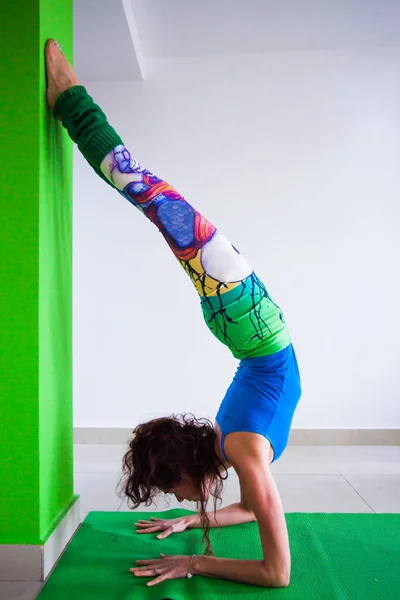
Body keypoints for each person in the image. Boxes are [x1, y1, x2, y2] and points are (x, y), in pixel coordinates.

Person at [45, 39, 301, 589]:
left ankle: (72, 103)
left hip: (243, 316)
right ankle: (73, 106)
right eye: (176, 496)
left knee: (151, 195)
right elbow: (259, 525)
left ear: (189, 466)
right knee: (152, 201)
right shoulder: (236, 449)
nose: (178, 496)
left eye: (176, 490)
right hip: (243, 319)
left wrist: (194, 560)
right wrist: (197, 520)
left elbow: (275, 573)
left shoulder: (238, 448)